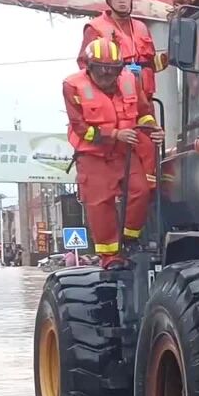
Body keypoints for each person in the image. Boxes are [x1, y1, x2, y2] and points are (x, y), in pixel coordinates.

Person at [64, 39, 162, 268]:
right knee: (100, 206)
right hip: (93, 156)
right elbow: (81, 129)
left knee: (141, 191)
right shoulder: (72, 86)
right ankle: (110, 257)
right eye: (101, 69)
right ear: (89, 67)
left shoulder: (130, 80)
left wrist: (153, 130)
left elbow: (144, 114)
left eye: (112, 69)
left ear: (119, 69)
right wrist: (115, 134)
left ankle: (129, 239)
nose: (106, 74)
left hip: (124, 152)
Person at [77, 0, 168, 99]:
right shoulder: (95, 28)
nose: (122, 0)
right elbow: (84, 66)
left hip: (145, 100)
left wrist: (167, 58)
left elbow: (151, 64)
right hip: (113, 99)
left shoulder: (141, 28)